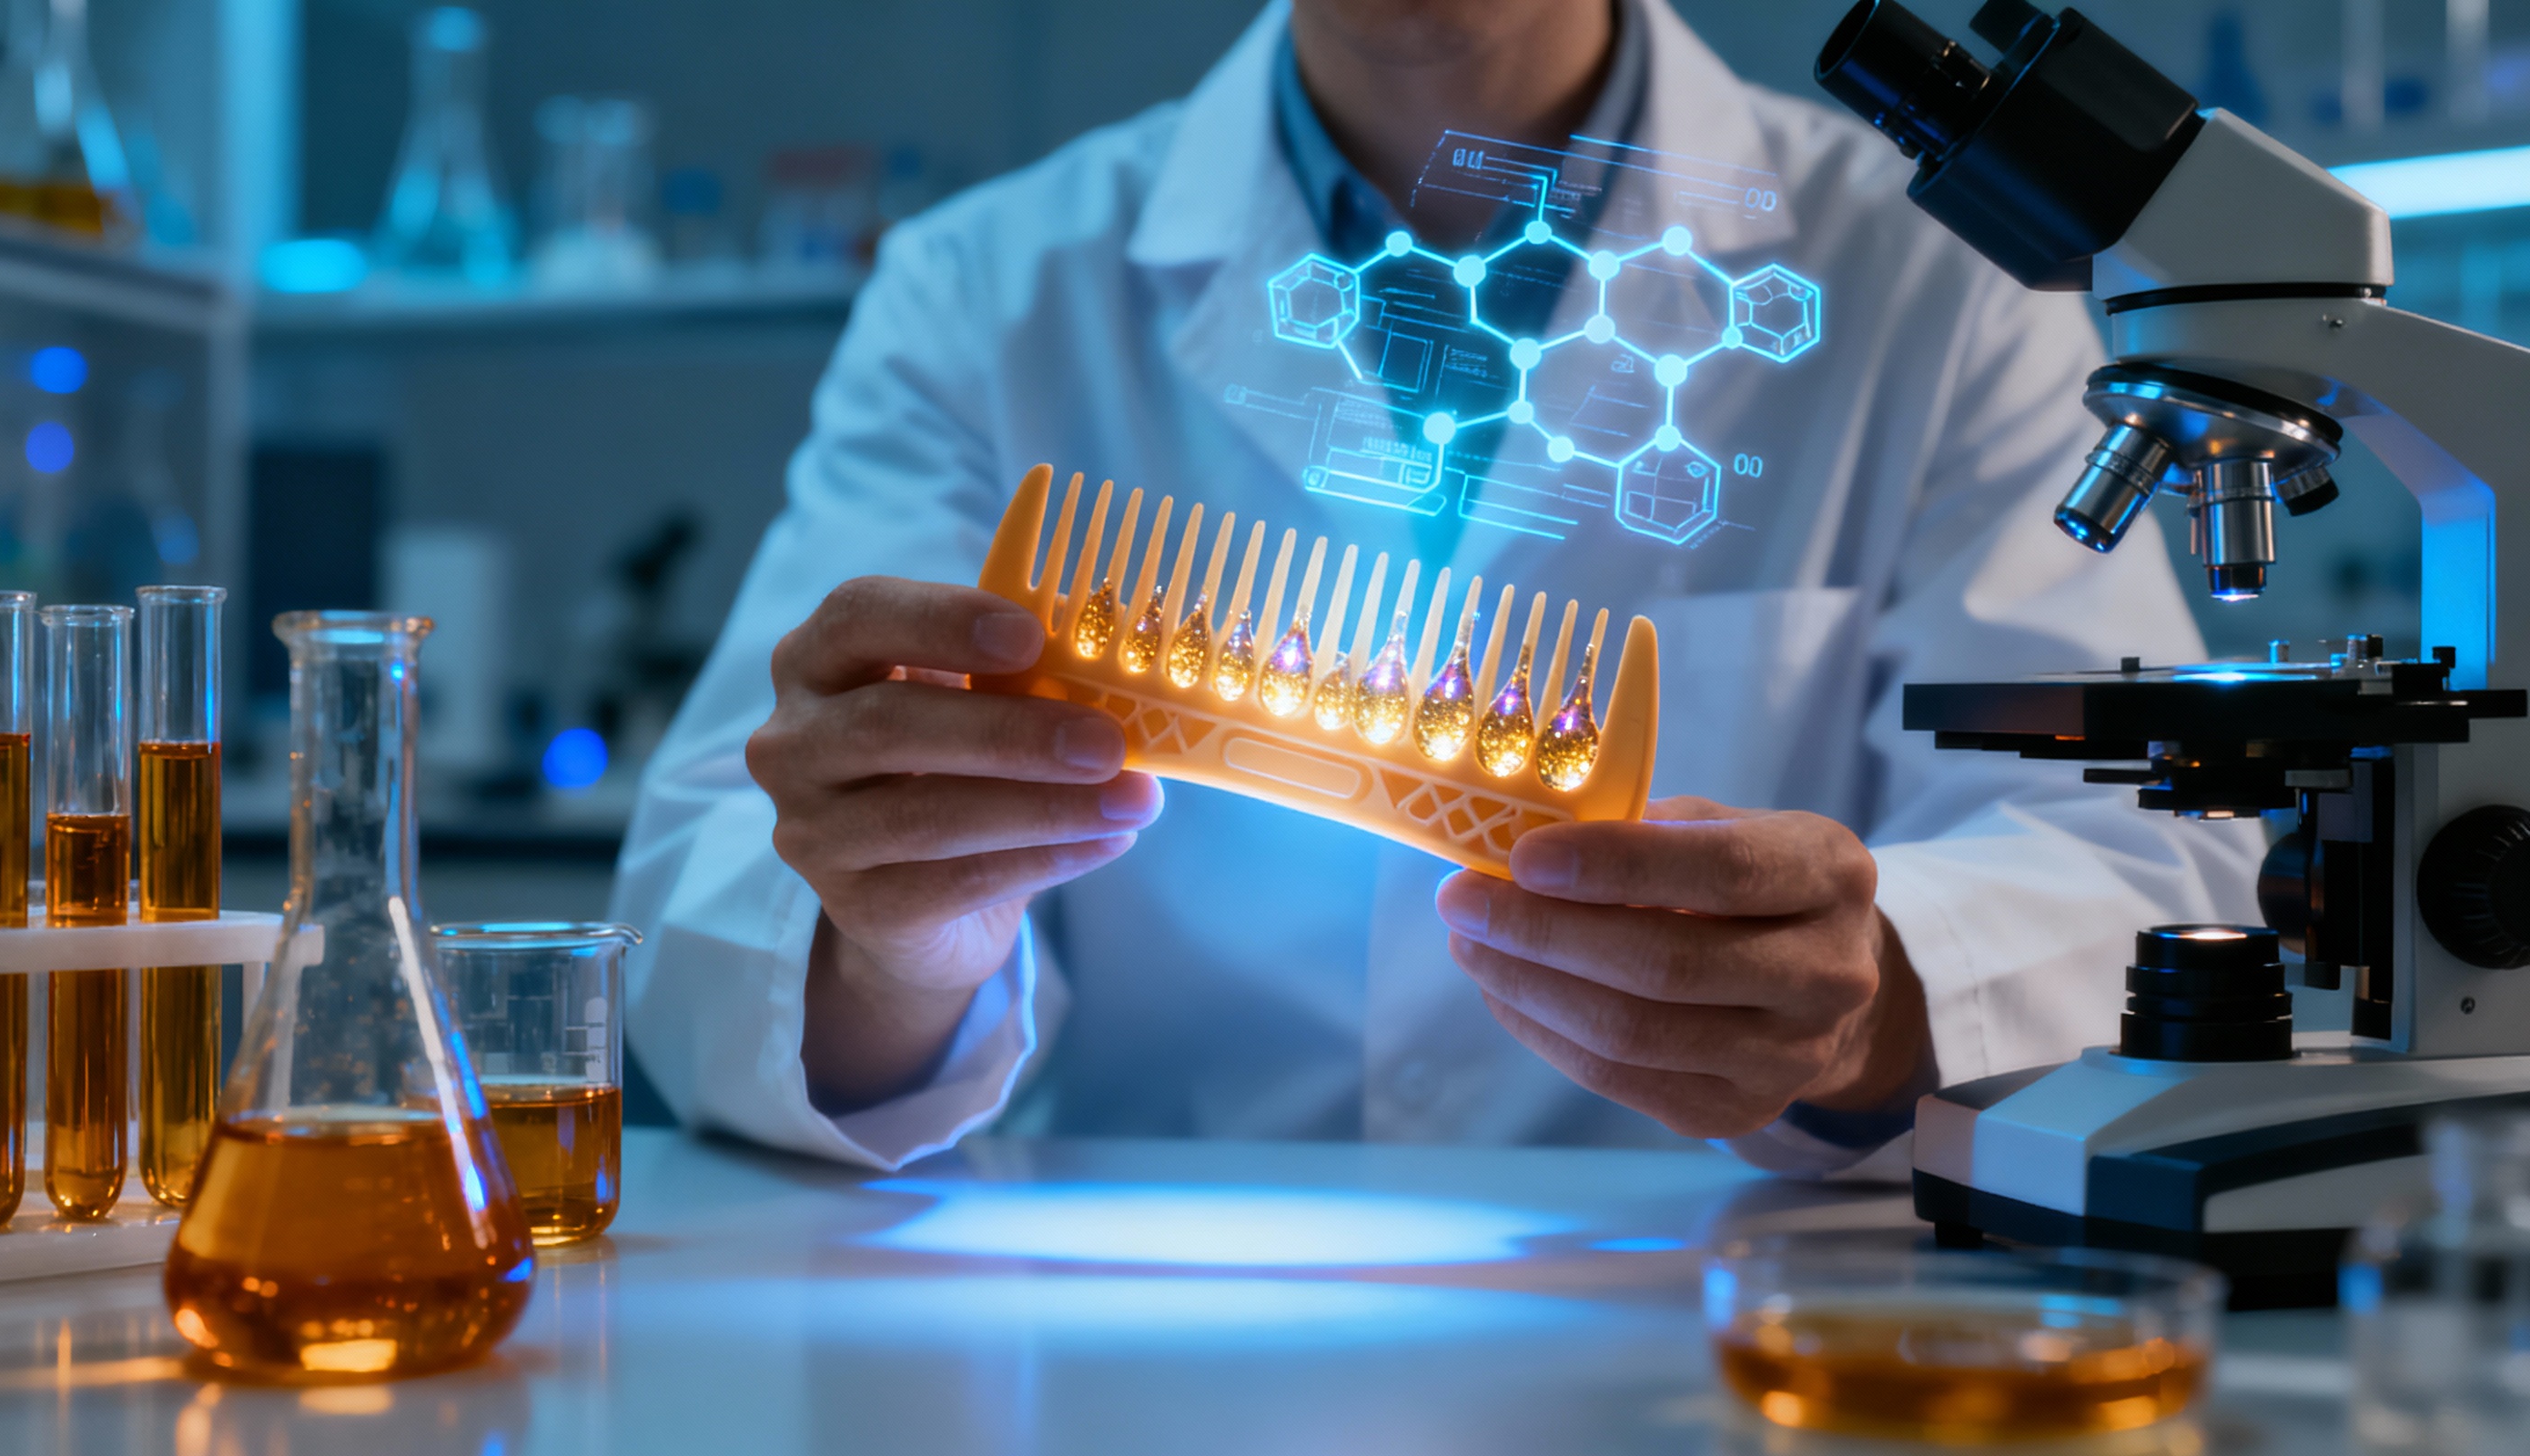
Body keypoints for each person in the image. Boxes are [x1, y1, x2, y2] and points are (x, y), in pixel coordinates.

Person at [612, 0, 2259, 1174]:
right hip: (1144, 1335)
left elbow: (2146, 861)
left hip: (1706, 1317)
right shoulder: (981, 294)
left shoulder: (1935, 286)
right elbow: (709, 908)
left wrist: (1875, 997)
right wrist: (892, 940)